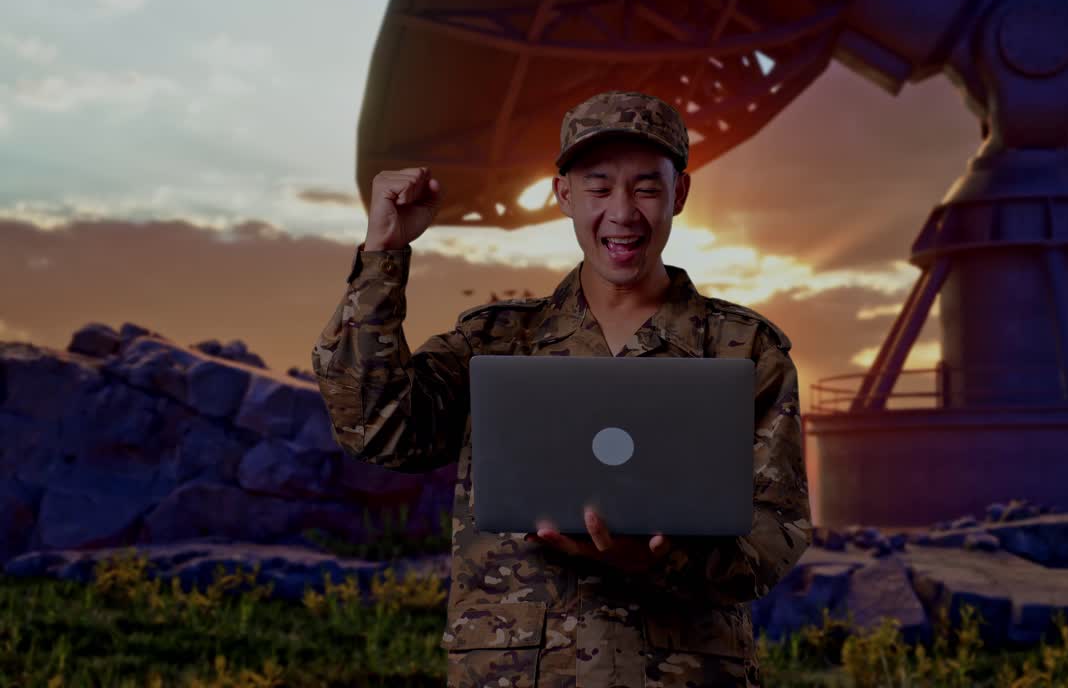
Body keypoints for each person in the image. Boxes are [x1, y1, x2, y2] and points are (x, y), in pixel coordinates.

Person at [311, 90, 811, 687]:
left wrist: (663, 558)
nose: (622, 212)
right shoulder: (492, 344)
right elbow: (377, 428)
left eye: (646, 187)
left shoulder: (745, 351)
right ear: (563, 196)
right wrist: (383, 255)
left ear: (679, 194)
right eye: (598, 187)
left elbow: (777, 529)